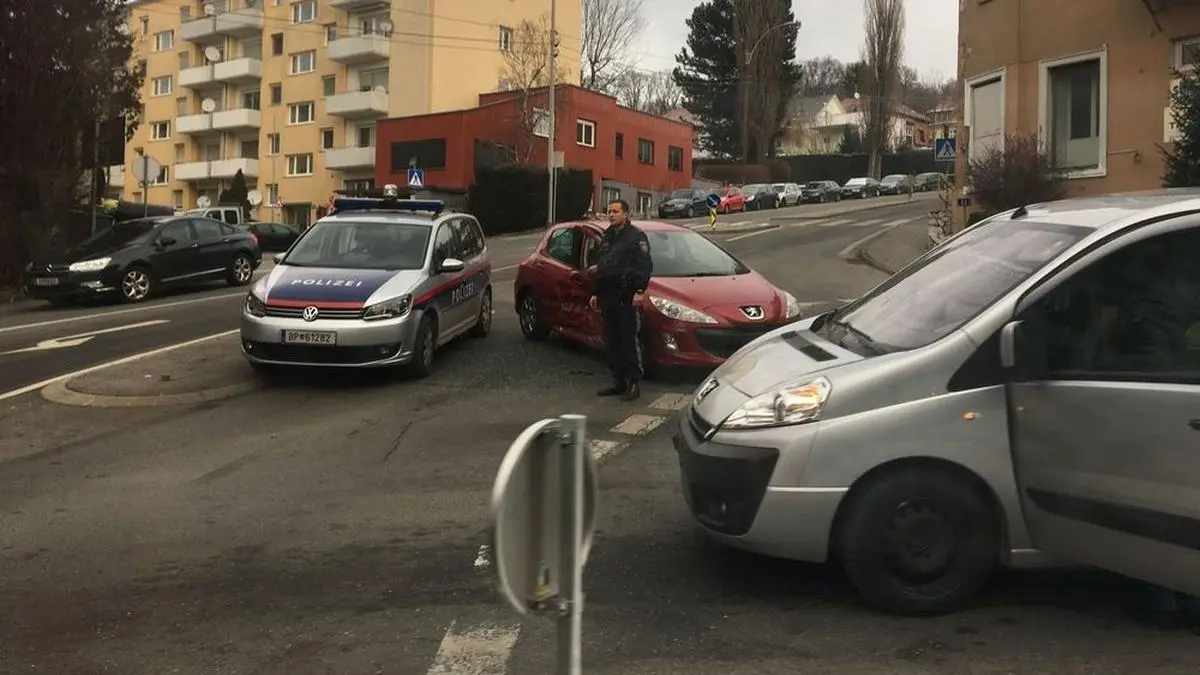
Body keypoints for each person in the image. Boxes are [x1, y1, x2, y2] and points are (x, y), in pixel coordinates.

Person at [589, 199, 653, 401]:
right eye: (609, 211)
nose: (611, 214)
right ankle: (618, 380)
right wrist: (595, 292)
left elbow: (644, 265)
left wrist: (640, 289)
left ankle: (634, 382)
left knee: (628, 339)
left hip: (627, 294)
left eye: (615, 211)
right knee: (612, 340)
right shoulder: (608, 236)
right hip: (609, 294)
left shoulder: (636, 237)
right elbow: (603, 266)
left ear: (625, 214)